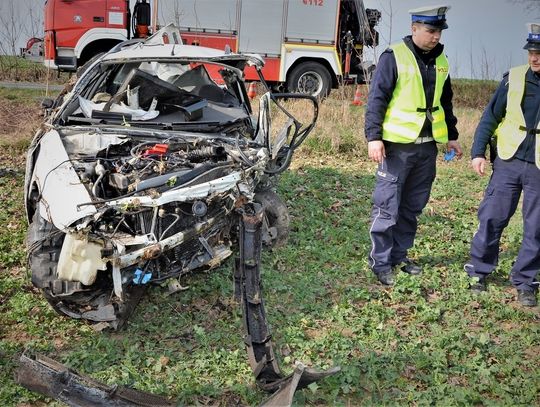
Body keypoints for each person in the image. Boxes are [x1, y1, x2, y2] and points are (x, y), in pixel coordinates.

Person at [365, 5, 462, 286]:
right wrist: (374, 137)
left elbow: (445, 100)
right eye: (431, 31)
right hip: (396, 147)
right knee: (387, 206)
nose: (435, 36)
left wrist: (452, 134)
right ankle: (380, 263)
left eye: (439, 31)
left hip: (427, 147)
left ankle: (399, 255)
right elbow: (377, 99)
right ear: (414, 28)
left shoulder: (441, 59)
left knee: (412, 206)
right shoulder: (393, 56)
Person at [464, 23, 540, 307]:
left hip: (539, 168)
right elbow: (489, 117)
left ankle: (526, 281)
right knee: (492, 218)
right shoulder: (514, 79)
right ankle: (479, 271)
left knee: (536, 227)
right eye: (532, 52)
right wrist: (478, 152)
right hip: (508, 161)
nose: (535, 58)